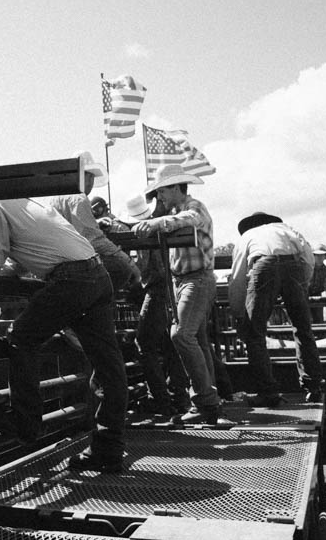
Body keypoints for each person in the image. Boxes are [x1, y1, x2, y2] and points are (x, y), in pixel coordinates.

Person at [0, 197, 128, 473]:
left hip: (71, 278)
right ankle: (109, 448)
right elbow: (34, 247)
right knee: (108, 365)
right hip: (96, 272)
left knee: (21, 337)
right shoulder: (25, 203)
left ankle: (27, 425)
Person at [132, 164, 221, 425]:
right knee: (197, 340)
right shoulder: (177, 211)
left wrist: (156, 221)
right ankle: (208, 402)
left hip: (195, 279)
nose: (158, 197)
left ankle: (205, 400)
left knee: (181, 334)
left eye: (160, 191)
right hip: (184, 281)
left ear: (174, 187)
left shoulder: (194, 207)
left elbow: (191, 219)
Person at [229, 212, 325, 406]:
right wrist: (300, 286)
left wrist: (238, 312)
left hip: (264, 264)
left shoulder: (248, 236)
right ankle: (313, 387)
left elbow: (237, 278)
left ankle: (268, 392)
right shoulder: (288, 230)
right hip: (294, 265)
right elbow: (308, 260)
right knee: (303, 329)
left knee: (255, 333)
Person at [121, 195, 191, 425]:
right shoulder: (158, 226)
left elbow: (142, 268)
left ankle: (161, 400)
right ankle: (177, 396)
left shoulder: (144, 233)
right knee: (169, 344)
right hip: (171, 287)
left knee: (144, 344)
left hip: (156, 288)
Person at [50, 174, 144, 303]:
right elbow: (95, 241)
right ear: (87, 177)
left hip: (58, 263)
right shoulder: (79, 198)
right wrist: (130, 264)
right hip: (73, 267)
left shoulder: (57, 198)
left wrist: (95, 224)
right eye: (91, 178)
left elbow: (74, 230)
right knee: (120, 267)